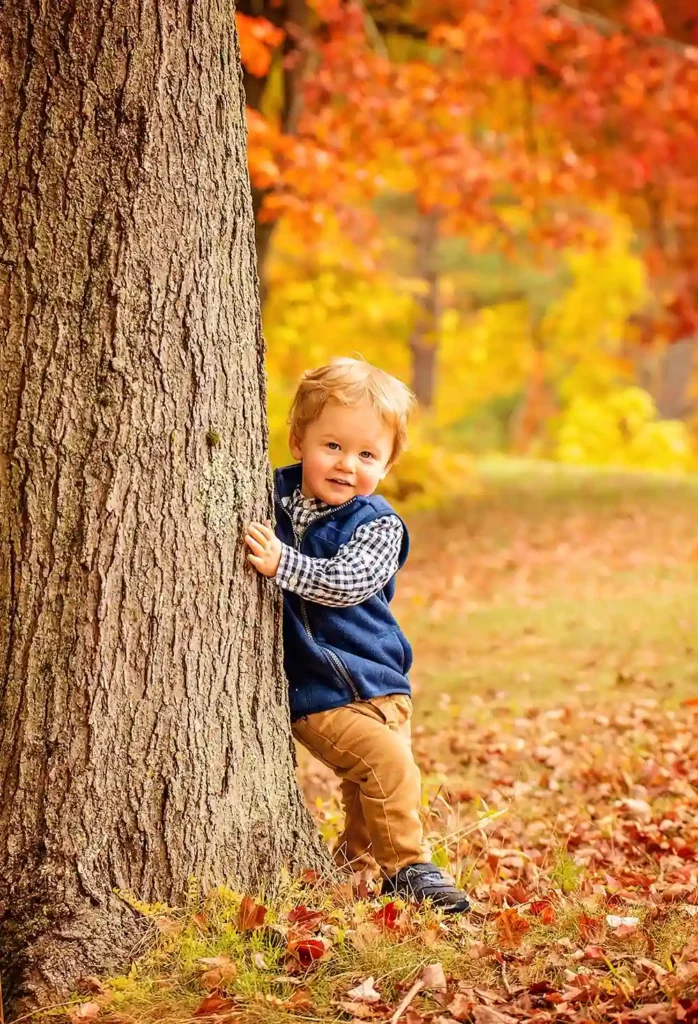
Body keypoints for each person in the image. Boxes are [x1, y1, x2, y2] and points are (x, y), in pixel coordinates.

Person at [244, 357, 470, 913]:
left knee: (368, 803)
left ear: (388, 464)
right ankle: (410, 869)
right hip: (320, 693)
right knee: (389, 769)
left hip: (383, 686)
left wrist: (282, 565)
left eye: (368, 454)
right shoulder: (268, 496)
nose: (348, 465)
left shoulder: (377, 524)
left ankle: (348, 884)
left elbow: (347, 583)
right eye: (333, 446)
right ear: (298, 441)